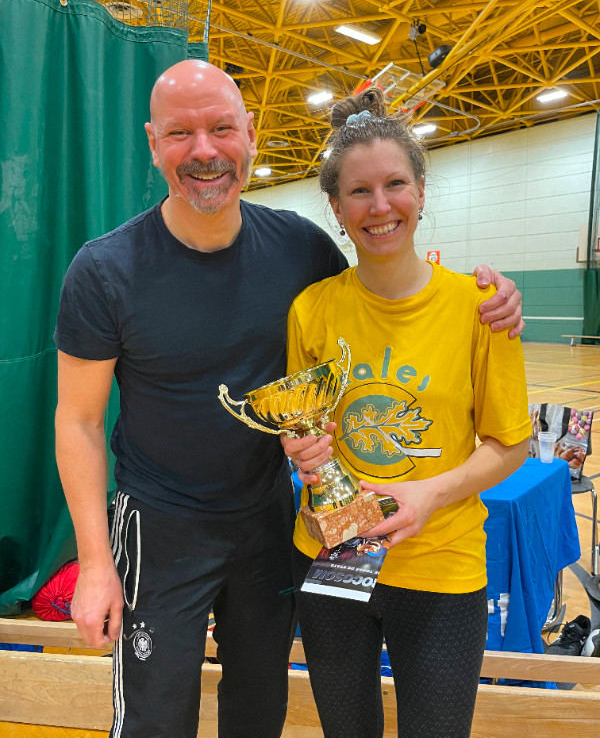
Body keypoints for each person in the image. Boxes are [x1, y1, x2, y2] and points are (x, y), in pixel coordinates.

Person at [54, 59, 524, 738]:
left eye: (222, 129)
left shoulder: (301, 250)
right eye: (182, 134)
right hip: (160, 527)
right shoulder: (103, 271)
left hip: (271, 528)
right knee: (156, 719)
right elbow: (78, 420)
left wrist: (494, 297)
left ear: (250, 135)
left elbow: (381, 285)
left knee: (258, 710)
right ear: (153, 143)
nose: (206, 151)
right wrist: (96, 564)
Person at [282, 87, 531, 738]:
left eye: (395, 183)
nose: (380, 205)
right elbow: (306, 432)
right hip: (334, 559)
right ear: (336, 209)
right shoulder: (311, 310)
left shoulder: (480, 306)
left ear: (421, 191)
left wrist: (427, 495)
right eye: (359, 192)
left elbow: (509, 443)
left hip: (442, 567)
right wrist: (304, 454)